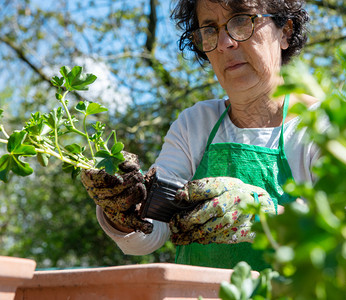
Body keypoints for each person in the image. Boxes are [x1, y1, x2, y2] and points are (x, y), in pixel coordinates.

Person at [81, 0, 319, 271]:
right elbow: (151, 232)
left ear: (285, 32)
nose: (224, 43)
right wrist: (124, 210)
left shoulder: (323, 127)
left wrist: (268, 217)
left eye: (242, 20)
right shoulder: (195, 124)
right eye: (209, 29)